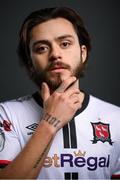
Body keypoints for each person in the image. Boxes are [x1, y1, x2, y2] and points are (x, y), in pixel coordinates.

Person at [0, 6, 120, 179]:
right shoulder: (7, 115)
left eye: (65, 44)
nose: (55, 54)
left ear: (83, 53)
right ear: (30, 61)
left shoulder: (116, 118)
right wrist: (49, 123)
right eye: (41, 48)